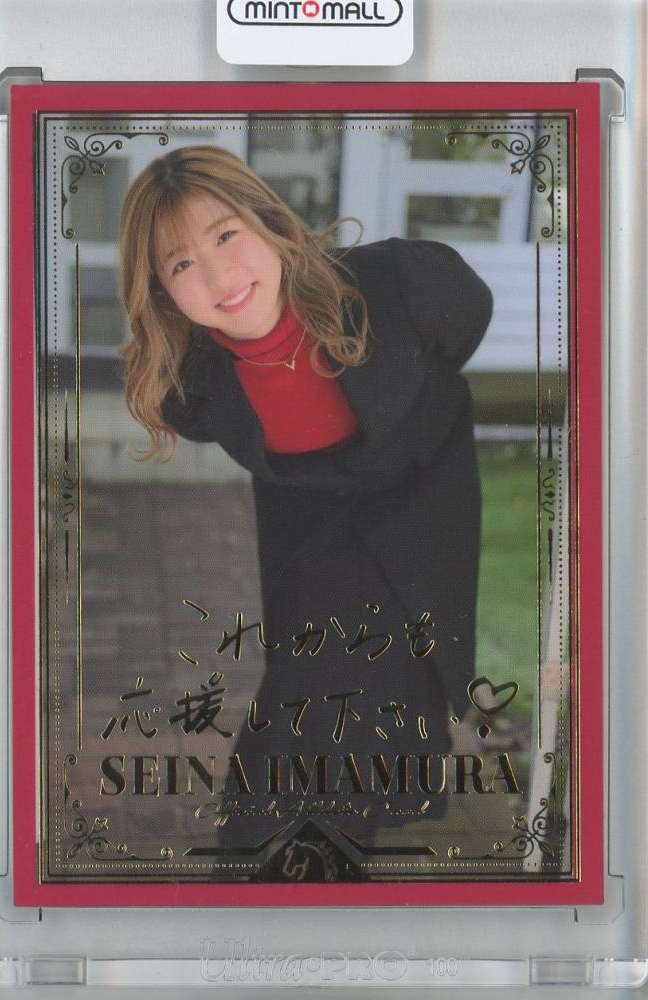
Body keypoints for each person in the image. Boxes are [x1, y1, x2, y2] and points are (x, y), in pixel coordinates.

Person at [119, 145, 493, 856]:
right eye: (181, 264)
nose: (219, 276)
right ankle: (275, 865)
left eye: (226, 235)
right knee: (306, 700)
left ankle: (331, 851)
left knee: (398, 685)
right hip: (310, 527)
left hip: (418, 506)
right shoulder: (192, 385)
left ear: (268, 222)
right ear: (162, 291)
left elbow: (466, 318)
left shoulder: (398, 283)